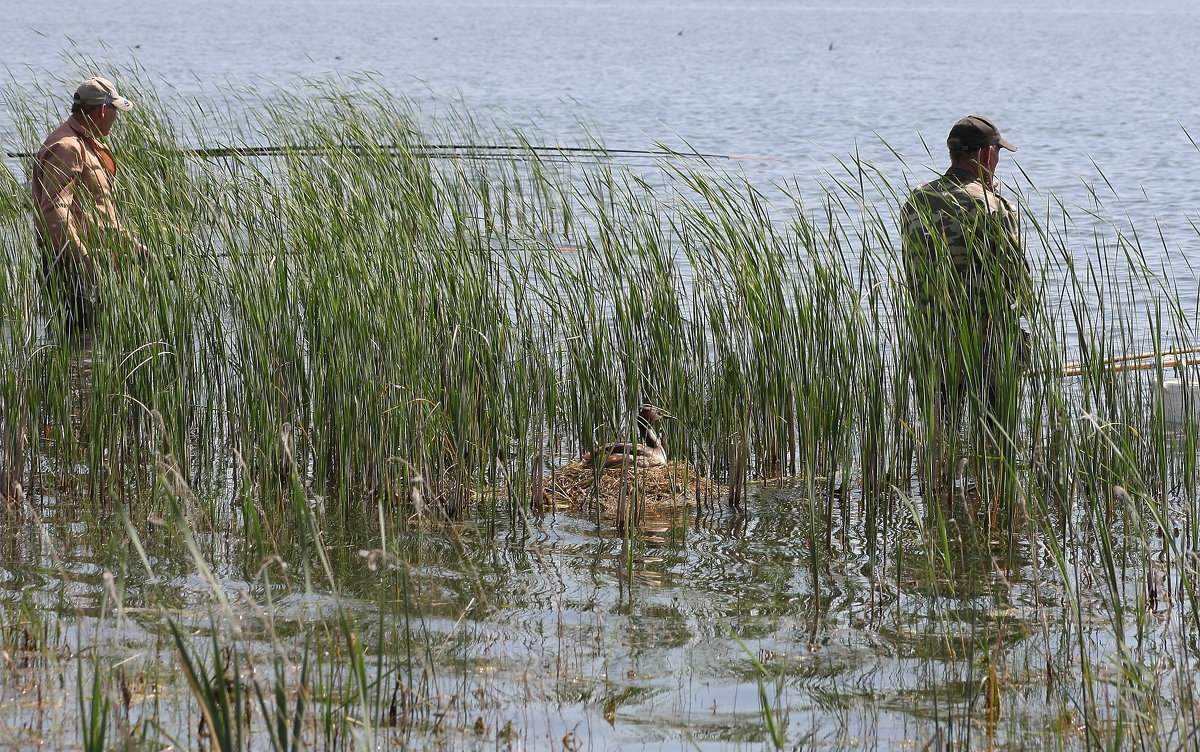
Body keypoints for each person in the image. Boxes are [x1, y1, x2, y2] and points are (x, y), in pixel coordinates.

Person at [900, 115, 1033, 495]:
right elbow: (1018, 286)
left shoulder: (917, 199)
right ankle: (991, 511)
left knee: (940, 439)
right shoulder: (992, 205)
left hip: (931, 340)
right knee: (995, 444)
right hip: (986, 343)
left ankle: (941, 506)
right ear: (989, 155)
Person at [31, 76, 148, 329]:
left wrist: (133, 247)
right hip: (71, 268)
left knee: (90, 348)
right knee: (78, 345)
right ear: (103, 110)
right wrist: (87, 265)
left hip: (88, 262)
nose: (116, 118)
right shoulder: (68, 147)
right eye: (115, 111)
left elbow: (97, 212)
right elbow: (55, 213)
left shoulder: (85, 143)